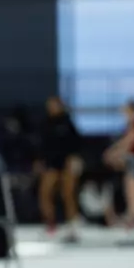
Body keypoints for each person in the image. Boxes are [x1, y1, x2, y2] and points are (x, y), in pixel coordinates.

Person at [35, 95, 83, 242]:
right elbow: (42, 145)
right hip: (51, 164)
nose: (51, 108)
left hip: (67, 164)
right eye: (49, 105)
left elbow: (76, 144)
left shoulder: (67, 123)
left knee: (68, 194)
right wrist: (39, 161)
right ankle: (50, 223)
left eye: (54, 105)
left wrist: (75, 160)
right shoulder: (45, 124)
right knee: (45, 193)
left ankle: (73, 227)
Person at [103, 99, 134, 229]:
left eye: (126, 110)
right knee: (130, 190)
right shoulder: (130, 125)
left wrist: (113, 153)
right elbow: (125, 143)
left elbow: (128, 143)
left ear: (132, 111)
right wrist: (114, 152)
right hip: (133, 159)